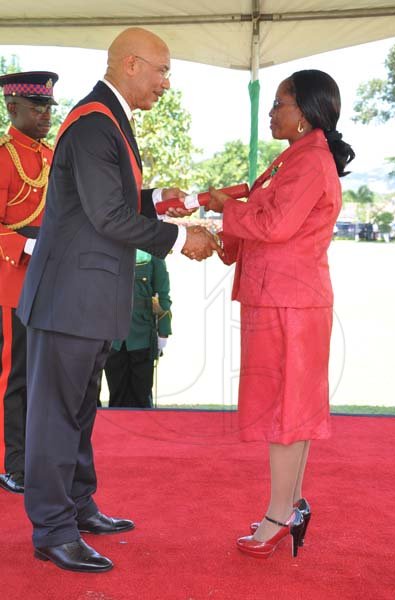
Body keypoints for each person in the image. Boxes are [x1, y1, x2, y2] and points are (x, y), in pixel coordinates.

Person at [17, 27, 220, 574]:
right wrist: (183, 238)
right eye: (162, 70)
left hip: (86, 300)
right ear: (131, 64)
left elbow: (115, 201)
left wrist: (168, 201)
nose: (166, 83)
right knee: (57, 417)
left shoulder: (108, 120)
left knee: (81, 413)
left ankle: (77, 507)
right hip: (69, 301)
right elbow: (109, 215)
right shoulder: (92, 124)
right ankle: (52, 530)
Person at [206, 70, 355, 560]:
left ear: (306, 112)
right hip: (286, 300)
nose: (271, 112)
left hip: (289, 304)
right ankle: (287, 507)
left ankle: (280, 514)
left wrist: (226, 208)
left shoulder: (309, 161)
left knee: (287, 414)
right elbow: (269, 222)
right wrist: (228, 209)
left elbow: (273, 224)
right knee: (293, 411)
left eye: (279, 104)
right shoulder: (298, 157)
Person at [0, 71, 58, 495]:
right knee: (15, 376)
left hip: (55, 281)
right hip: (14, 280)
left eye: (49, 108)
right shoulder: (3, 157)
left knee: (49, 376)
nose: (45, 116)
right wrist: (27, 245)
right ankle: (13, 463)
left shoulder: (54, 156)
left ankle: (41, 457)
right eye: (37, 108)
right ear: (11, 107)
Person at [104, 250, 172, 408]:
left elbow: (163, 295)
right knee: (117, 396)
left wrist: (163, 332)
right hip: (112, 338)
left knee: (142, 398)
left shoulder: (152, 253)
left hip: (142, 336)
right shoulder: (107, 248)